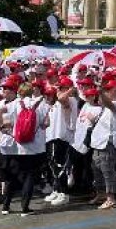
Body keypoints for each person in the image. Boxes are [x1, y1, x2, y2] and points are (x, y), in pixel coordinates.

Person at [0, 83, 50, 216]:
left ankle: (6, 206)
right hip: (34, 147)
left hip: (17, 146)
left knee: (11, 176)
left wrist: (2, 127)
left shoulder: (14, 103)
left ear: (19, 92)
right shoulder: (41, 104)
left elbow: (0, 112)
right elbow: (46, 124)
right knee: (29, 176)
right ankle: (25, 208)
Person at [90, 80, 116, 210]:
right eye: (106, 90)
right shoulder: (104, 106)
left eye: (109, 89)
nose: (106, 92)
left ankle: (111, 198)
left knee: (107, 170)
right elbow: (101, 102)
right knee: (96, 168)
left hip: (108, 143)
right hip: (99, 142)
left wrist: (100, 92)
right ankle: (101, 193)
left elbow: (110, 104)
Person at [44, 76, 77, 206]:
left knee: (61, 166)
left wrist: (68, 90)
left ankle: (64, 193)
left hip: (63, 137)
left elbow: (62, 98)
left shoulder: (71, 99)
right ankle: (57, 189)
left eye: (61, 87)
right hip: (53, 137)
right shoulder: (57, 102)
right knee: (53, 165)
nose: (58, 90)